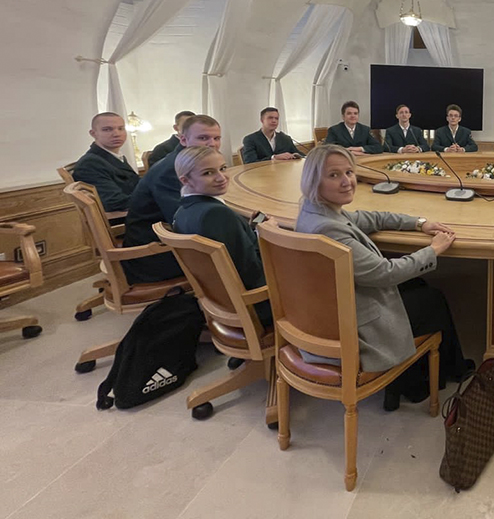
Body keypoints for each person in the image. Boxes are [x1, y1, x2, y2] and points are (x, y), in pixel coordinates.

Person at [295, 144, 471, 410]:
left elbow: (369, 218)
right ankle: (427, 379)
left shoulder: (314, 211)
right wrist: (432, 250)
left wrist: (418, 223)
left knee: (418, 285)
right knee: (433, 299)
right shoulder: (329, 228)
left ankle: (411, 379)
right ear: (313, 180)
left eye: (349, 172)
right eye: (333, 175)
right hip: (356, 323)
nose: (346, 181)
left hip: (337, 306)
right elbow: (385, 273)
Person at [172, 146, 272, 327]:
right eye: (208, 173)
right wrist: (268, 236)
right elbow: (252, 273)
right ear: (186, 180)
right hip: (257, 306)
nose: (221, 177)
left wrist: (248, 230)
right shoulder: (216, 214)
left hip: (221, 302)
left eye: (223, 168)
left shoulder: (182, 212)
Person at [122, 115, 222, 283]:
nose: (212, 144)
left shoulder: (189, 163)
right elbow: (185, 223)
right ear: (183, 140)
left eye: (217, 138)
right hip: (154, 256)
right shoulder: (172, 171)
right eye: (203, 138)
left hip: (167, 241)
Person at [72, 112, 140, 213]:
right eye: (107, 129)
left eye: (121, 128)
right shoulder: (90, 164)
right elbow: (114, 202)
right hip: (127, 218)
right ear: (93, 133)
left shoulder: (114, 156)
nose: (116, 134)